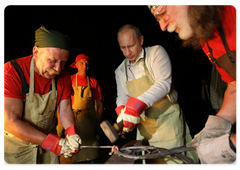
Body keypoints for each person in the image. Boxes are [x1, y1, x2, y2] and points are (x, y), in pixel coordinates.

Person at [147, 3, 237, 165]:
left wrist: (231, 146)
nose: (162, 26)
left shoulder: (234, 10)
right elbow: (235, 87)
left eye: (163, 13)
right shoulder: (206, 40)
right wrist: (216, 125)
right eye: (157, 19)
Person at [115, 24, 198, 165]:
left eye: (131, 45)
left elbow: (164, 84)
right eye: (123, 48)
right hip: (145, 131)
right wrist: (122, 111)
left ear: (141, 40)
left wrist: (135, 106)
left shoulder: (156, 53)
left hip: (169, 126)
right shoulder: (120, 70)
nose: (128, 52)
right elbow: (122, 97)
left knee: (175, 163)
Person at [2, 26, 82, 165]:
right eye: (52, 60)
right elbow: (10, 121)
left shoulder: (63, 75)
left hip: (49, 148)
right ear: (36, 52)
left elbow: (65, 109)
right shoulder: (12, 72)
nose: (58, 69)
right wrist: (54, 144)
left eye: (63, 62)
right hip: (17, 149)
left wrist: (71, 132)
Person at [58, 54, 104, 164]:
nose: (85, 65)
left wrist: (98, 123)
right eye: (82, 63)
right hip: (72, 122)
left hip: (89, 124)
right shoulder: (69, 80)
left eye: (87, 63)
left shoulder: (93, 81)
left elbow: (100, 104)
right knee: (70, 155)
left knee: (90, 157)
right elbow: (61, 105)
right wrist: (60, 124)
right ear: (76, 65)